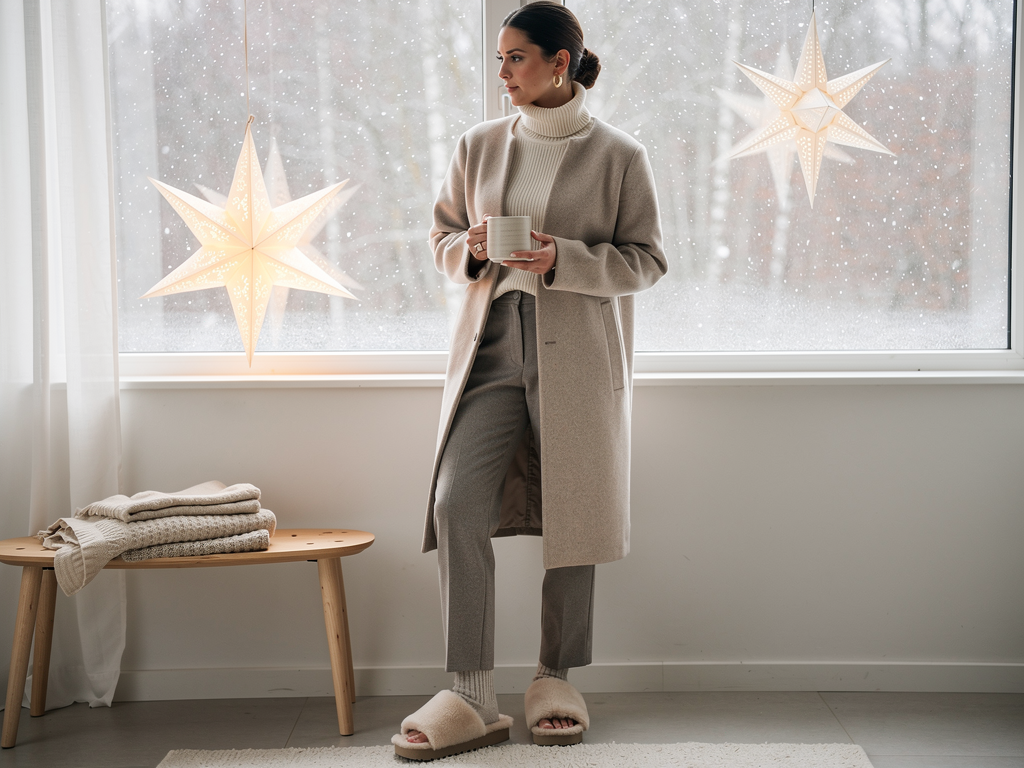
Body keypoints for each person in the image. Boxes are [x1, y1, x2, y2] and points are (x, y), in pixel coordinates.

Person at [392, 1, 668, 760]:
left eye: (518, 58)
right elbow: (440, 239)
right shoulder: (478, 145)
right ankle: (472, 692)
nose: (504, 72)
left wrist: (564, 259)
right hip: (490, 354)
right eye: (499, 59)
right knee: (456, 504)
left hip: (577, 353)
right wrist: (474, 248)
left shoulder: (620, 156)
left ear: (561, 61)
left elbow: (646, 261)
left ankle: (555, 676)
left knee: (573, 514)